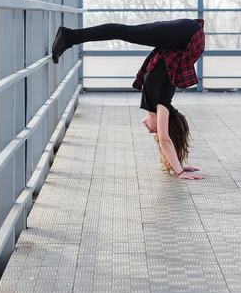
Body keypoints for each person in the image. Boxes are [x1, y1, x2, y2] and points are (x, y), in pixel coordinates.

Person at [51, 18, 205, 180]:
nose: (152, 131)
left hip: (186, 39)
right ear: (166, 123)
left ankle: (70, 36)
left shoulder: (153, 103)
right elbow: (166, 141)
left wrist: (178, 164)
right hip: (188, 37)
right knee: (124, 31)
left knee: (126, 32)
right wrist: (180, 172)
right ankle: (70, 36)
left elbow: (167, 141)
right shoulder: (162, 107)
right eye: (156, 131)